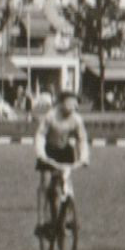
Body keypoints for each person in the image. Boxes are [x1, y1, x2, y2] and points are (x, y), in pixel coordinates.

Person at [35, 89, 91, 240]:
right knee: (46, 184)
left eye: (75, 103)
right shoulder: (51, 116)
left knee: (66, 179)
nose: (72, 106)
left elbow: (82, 139)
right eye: (69, 103)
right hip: (49, 150)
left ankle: (69, 212)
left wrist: (84, 157)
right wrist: (41, 154)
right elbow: (40, 135)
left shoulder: (77, 119)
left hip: (65, 150)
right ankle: (41, 221)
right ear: (61, 103)